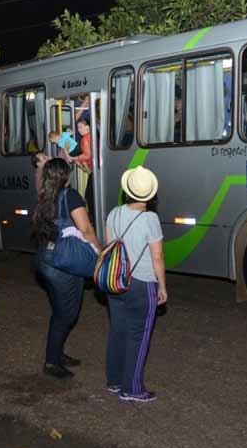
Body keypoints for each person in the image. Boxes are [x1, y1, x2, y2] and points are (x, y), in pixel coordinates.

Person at [32, 159, 99, 379]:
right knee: (66, 314)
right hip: (64, 263)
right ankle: (52, 362)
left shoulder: (45, 195)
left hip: (46, 259)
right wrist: (101, 252)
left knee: (59, 310)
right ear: (66, 176)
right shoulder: (70, 196)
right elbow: (86, 229)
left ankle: (58, 353)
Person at [104, 166, 167, 402]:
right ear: (150, 196)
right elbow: (157, 257)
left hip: (115, 280)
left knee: (118, 331)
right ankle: (132, 389)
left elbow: (110, 246)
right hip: (142, 284)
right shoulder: (150, 219)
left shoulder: (114, 213)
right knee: (138, 336)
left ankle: (114, 381)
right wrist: (162, 286)